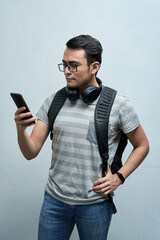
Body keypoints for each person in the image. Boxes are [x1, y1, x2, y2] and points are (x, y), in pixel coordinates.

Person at [14, 35, 149, 240]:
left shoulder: (119, 105)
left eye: (74, 66)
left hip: (95, 206)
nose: (67, 71)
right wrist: (20, 130)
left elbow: (142, 145)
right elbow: (30, 152)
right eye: (65, 65)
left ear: (94, 67)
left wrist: (119, 177)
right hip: (54, 203)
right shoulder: (54, 101)